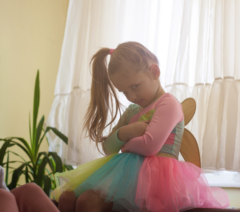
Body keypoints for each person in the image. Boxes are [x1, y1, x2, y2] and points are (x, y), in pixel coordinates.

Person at [52, 42, 229, 212]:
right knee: (67, 198)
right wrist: (125, 132)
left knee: (87, 202)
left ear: (155, 72)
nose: (131, 96)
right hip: (126, 176)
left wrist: (125, 145)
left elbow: (150, 146)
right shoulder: (132, 111)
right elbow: (108, 149)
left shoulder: (168, 104)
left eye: (135, 86)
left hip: (156, 180)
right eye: (124, 92)